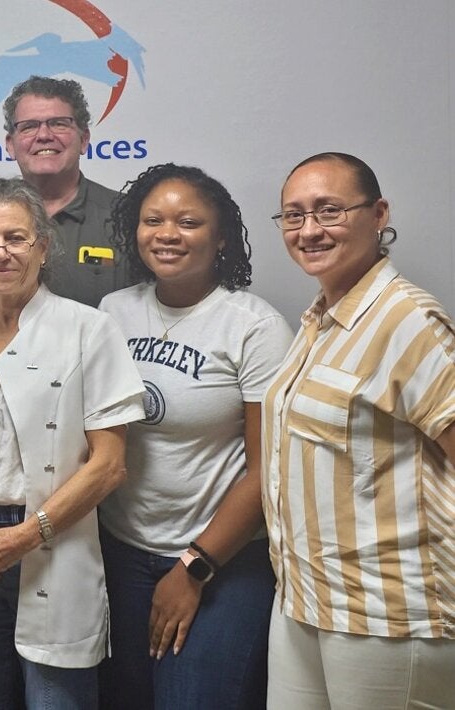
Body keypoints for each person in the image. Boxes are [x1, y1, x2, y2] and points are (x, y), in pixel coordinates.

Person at [0, 177, 144, 709]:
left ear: (43, 245)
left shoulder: (89, 329)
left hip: (51, 537)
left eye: (15, 238)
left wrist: (26, 535)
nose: (0, 252)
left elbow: (109, 465)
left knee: (55, 695)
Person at [96, 164, 293, 709]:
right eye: (152, 220)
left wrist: (194, 567)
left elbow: (267, 470)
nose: (167, 233)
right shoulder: (113, 312)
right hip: (122, 554)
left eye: (189, 222)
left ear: (221, 235)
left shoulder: (253, 326)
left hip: (223, 561)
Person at [262, 152, 455, 709]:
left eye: (329, 210)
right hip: (304, 601)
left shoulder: (408, 320)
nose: (309, 230)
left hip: (388, 613)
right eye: (293, 216)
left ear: (378, 214)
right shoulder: (319, 320)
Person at [0, 76, 133, 307]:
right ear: (10, 145)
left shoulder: (126, 216)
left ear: (84, 139)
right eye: (29, 126)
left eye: (59, 123)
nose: (44, 135)